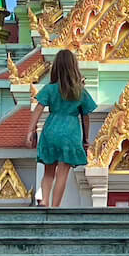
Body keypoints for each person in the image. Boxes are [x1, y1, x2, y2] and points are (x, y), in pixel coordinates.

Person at [25, 49, 96, 207]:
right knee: (62, 174)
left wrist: (30, 130)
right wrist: (86, 139)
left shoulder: (50, 89)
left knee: (48, 172)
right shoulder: (79, 91)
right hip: (70, 133)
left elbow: (38, 109)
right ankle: (55, 207)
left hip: (51, 129)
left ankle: (44, 200)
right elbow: (86, 116)